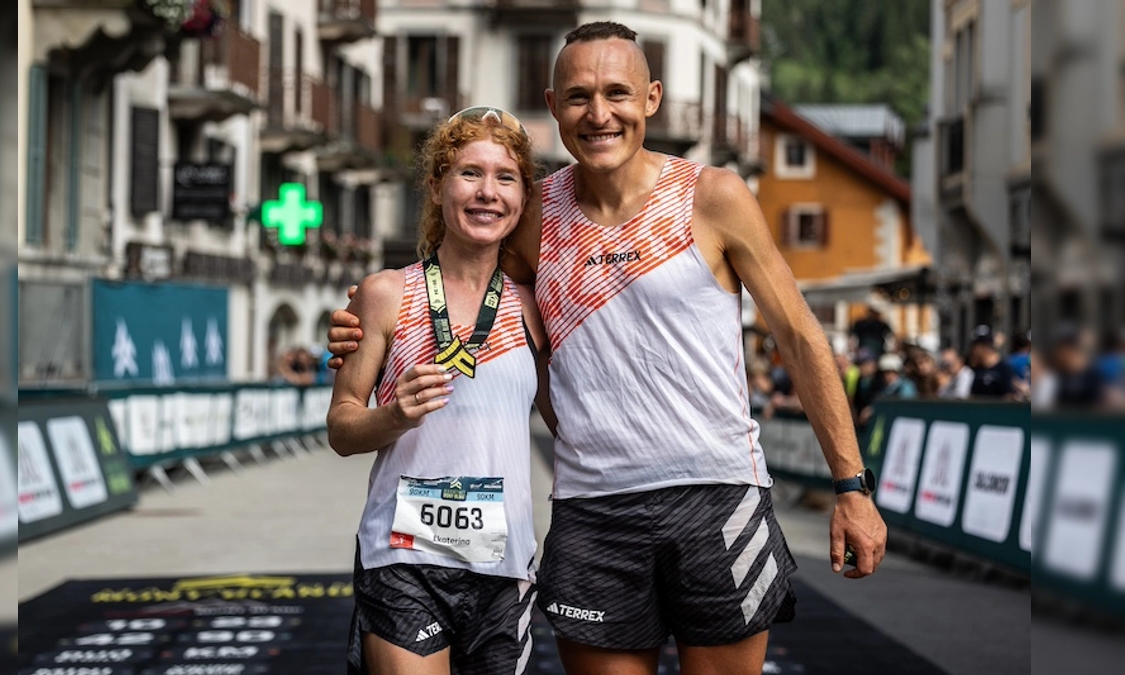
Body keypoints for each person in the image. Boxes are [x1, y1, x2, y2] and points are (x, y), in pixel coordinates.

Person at [330, 22, 886, 675]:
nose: (599, 114)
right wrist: (361, 317)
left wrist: (851, 485)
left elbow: (798, 334)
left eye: (617, 93)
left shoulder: (713, 196)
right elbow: (459, 289)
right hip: (594, 508)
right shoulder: (536, 214)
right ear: (554, 102)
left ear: (651, 97)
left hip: (718, 493)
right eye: (578, 97)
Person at [326, 107, 550, 675]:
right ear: (435, 187)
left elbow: (570, 418)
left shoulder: (533, 306)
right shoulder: (384, 294)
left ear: (522, 197)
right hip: (403, 557)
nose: (487, 192)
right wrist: (394, 415)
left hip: (504, 561)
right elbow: (341, 428)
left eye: (505, 177)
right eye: (469, 173)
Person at [967, 325, 1019, 399]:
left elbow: (1007, 397)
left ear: (985, 347)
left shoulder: (1004, 369)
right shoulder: (974, 369)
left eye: (975, 347)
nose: (973, 351)